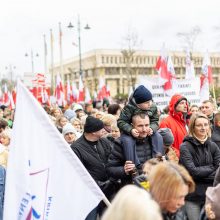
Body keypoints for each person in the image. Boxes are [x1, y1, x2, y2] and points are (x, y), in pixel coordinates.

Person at [71, 116, 115, 220]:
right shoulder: (76, 148)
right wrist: (98, 184)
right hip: (90, 194)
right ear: (93, 132)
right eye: (101, 128)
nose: (104, 130)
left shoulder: (104, 141)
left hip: (108, 189)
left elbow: (112, 159)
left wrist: (111, 180)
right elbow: (79, 173)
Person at [180, 113, 220, 220]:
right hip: (192, 196)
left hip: (210, 196)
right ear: (193, 127)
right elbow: (192, 172)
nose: (203, 128)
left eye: (206, 124)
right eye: (199, 125)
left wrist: (202, 172)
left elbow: (218, 170)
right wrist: (212, 167)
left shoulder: (213, 146)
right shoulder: (185, 147)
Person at [107, 113, 164, 187]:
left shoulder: (156, 139)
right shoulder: (121, 143)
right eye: (140, 126)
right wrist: (124, 170)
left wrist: (165, 162)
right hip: (134, 189)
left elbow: (165, 160)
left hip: (156, 187)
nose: (144, 129)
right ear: (132, 126)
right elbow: (110, 169)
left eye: (146, 125)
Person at [117, 85, 159, 166]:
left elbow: (155, 121)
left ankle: (157, 159)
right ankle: (133, 165)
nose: (149, 104)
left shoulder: (153, 107)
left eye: (150, 101)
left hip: (146, 130)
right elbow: (121, 121)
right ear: (138, 103)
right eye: (146, 102)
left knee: (158, 136)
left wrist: (152, 128)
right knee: (128, 141)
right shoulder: (129, 108)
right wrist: (130, 130)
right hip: (130, 132)